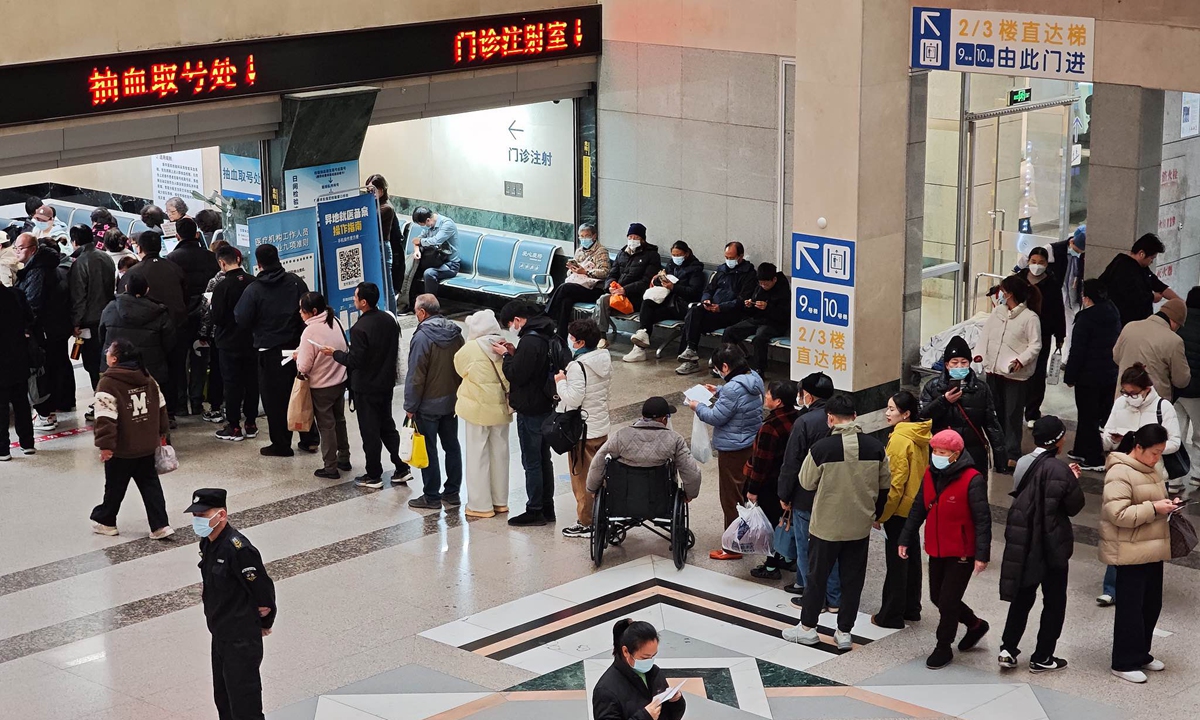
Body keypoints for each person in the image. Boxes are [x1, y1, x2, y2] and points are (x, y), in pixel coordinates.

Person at [781, 395, 890, 651]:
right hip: (859, 526)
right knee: (852, 580)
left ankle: (808, 628)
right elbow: (885, 486)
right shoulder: (876, 447)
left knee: (816, 577)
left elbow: (806, 482)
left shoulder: (821, 449)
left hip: (826, 526)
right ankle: (844, 632)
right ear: (855, 416)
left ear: (830, 418)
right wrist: (875, 515)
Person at [997, 416, 1085, 674]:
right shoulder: (1060, 469)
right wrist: (1072, 480)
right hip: (1051, 543)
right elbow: (1074, 506)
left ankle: (1008, 649)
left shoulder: (1024, 462)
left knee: (1023, 597)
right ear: (1058, 440)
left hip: (1025, 539)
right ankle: (1043, 656)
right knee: (1054, 602)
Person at [898, 429, 992, 670]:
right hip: (936, 547)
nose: (937, 456)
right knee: (936, 597)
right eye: (935, 451)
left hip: (962, 551)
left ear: (956, 454)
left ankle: (943, 646)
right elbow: (919, 507)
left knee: (948, 601)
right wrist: (905, 538)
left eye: (943, 452)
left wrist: (982, 555)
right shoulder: (930, 473)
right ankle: (975, 624)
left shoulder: (973, 479)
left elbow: (982, 519)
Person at [187, 488, 277, 719]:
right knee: (224, 699)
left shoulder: (238, 549)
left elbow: (263, 590)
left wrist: (265, 621)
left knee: (244, 703)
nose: (198, 520)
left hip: (240, 639)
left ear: (222, 515)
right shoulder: (208, 543)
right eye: (195, 515)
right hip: (220, 634)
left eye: (203, 515)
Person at [1101, 424, 1179, 683]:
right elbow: (1118, 514)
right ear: (1138, 447)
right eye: (1154, 453)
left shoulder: (1152, 469)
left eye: (1160, 453)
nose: (1157, 458)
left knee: (1151, 604)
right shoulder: (1120, 472)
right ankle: (1123, 661)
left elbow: (1153, 500)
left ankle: (1141, 653)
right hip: (1130, 550)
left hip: (1153, 548)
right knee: (1130, 608)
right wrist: (1154, 508)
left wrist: (1168, 505)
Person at [321, 282, 412, 488]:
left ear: (363, 302)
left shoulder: (359, 328)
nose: (354, 299)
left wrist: (335, 354)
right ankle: (402, 467)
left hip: (366, 388)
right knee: (387, 426)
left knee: (370, 431)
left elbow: (355, 361)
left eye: (356, 296)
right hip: (385, 384)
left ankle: (373, 474)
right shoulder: (389, 320)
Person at [234, 243, 318, 457]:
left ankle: (281, 444)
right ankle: (309, 438)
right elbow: (308, 309)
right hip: (297, 348)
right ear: (278, 258)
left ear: (258, 264)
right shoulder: (295, 282)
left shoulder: (254, 290)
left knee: (275, 400)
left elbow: (241, 318)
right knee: (301, 392)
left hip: (269, 351)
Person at [686, 344, 764, 560]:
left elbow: (716, 417)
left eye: (718, 368)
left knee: (730, 497)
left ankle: (732, 547)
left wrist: (697, 406)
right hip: (751, 443)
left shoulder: (732, 389)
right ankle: (746, 534)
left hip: (733, 448)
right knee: (745, 492)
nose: (718, 372)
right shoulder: (754, 378)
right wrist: (718, 390)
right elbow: (740, 398)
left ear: (726, 367)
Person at [90, 340, 172, 538]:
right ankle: (160, 525)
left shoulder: (108, 383)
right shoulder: (147, 377)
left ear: (114, 359)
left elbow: (105, 418)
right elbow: (161, 407)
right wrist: (162, 432)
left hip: (122, 449)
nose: (106, 352)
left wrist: (105, 446)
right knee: (150, 486)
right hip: (147, 445)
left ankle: (106, 521)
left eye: (109, 351)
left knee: (115, 487)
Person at [494, 301, 559, 526]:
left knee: (532, 462)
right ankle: (548, 507)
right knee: (544, 459)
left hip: (530, 408)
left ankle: (535, 510)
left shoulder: (530, 341)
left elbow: (516, 374)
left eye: (510, 324)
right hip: (546, 404)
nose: (511, 328)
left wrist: (506, 356)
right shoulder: (545, 333)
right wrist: (515, 353)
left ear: (518, 320)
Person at [873, 390, 931, 629]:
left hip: (899, 510)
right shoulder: (920, 434)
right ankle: (911, 608)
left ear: (906, 414)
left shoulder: (899, 439)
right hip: (916, 506)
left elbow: (895, 483)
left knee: (897, 561)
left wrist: (882, 514)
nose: (887, 413)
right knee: (911, 557)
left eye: (892, 409)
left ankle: (891, 614)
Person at [778, 372, 837, 598]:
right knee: (829, 546)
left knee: (805, 545)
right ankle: (819, 587)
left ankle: (808, 589)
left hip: (805, 494)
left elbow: (792, 462)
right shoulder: (841, 418)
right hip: (833, 493)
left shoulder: (804, 422)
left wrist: (784, 493)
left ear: (809, 396)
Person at [404, 294, 465, 509]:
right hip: (451, 401)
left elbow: (416, 375)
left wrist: (410, 406)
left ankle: (431, 496)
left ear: (422, 312)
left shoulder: (422, 337)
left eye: (415, 311)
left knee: (429, 449)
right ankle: (452, 492)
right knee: (452, 446)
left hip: (428, 404)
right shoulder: (456, 333)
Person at [119, 231, 188, 420]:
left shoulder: (133, 273)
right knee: (176, 369)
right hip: (176, 327)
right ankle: (177, 408)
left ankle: (153, 412)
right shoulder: (174, 268)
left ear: (139, 248)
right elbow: (185, 297)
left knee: (150, 373)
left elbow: (124, 303)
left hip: (145, 333)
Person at [586, 396, 702, 502]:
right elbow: (691, 473)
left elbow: (598, 461)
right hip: (660, 501)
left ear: (643, 417)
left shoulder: (621, 435)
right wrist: (689, 494)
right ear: (664, 419)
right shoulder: (675, 440)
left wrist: (592, 488)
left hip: (622, 499)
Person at [454, 310, 512, 518]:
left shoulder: (470, 348)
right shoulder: (505, 345)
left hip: (477, 409)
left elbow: (459, 368)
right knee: (500, 454)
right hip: (501, 408)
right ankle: (500, 501)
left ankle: (480, 505)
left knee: (477, 455)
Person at [558, 319, 613, 539]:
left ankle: (587, 522)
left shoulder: (577, 366)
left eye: (572, 338)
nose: (569, 341)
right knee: (601, 476)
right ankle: (603, 515)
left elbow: (573, 398)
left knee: (583, 480)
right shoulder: (604, 358)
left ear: (580, 342)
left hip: (583, 431)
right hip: (601, 425)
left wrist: (560, 381)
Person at [981, 275, 1042, 472]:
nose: (1000, 294)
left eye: (1003, 291)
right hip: (993, 371)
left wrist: (1020, 361)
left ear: (1010, 294)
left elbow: (1035, 346)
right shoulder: (998, 312)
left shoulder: (1030, 318)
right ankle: (997, 450)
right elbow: (985, 336)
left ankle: (1012, 453)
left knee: (1012, 415)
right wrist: (979, 357)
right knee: (995, 413)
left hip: (1015, 375)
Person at [920, 336, 1005, 476]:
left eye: (964, 362)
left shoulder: (981, 389)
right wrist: (944, 401)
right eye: (954, 362)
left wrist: (1000, 458)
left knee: (973, 486)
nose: (959, 366)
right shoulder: (933, 387)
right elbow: (923, 417)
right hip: (942, 451)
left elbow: (991, 424)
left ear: (969, 363)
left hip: (973, 452)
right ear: (947, 365)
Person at [14, 232, 73, 429]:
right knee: (57, 366)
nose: (16, 252)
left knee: (43, 372)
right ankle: (55, 407)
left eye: (20, 248)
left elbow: (33, 304)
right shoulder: (43, 266)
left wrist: (24, 326)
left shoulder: (38, 271)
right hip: (54, 329)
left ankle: (46, 414)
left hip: (45, 331)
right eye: (15, 248)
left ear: (32, 250)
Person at [743, 381, 800, 580]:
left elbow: (762, 462)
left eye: (768, 394)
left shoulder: (771, 427)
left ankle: (770, 566)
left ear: (778, 401)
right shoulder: (797, 418)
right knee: (785, 521)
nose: (765, 396)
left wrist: (752, 489)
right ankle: (786, 557)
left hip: (770, 484)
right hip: (790, 481)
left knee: (770, 524)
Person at [1064, 279, 1121, 472]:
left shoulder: (1085, 318)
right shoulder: (1113, 311)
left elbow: (1077, 351)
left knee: (1088, 416)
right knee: (1093, 415)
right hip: (1109, 373)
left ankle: (1094, 458)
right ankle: (1081, 448)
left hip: (1088, 376)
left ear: (1087, 297)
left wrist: (1070, 376)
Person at [675, 241, 756, 375]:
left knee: (694, 323)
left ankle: (713, 362)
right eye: (726, 257)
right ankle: (690, 352)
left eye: (732, 258)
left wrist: (721, 308)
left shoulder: (749, 275)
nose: (728, 260)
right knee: (693, 313)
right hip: (713, 309)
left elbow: (742, 300)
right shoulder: (721, 271)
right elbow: (709, 289)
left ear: (740, 257)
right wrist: (706, 300)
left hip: (732, 314)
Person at [167, 217, 221, 417]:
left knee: (179, 361)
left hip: (181, 317)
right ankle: (197, 402)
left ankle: (181, 404)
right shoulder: (211, 257)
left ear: (177, 236)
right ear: (197, 235)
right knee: (200, 359)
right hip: (205, 316)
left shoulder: (171, 259)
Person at [296, 292, 350, 480]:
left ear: (313, 311)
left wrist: (297, 357)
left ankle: (330, 467)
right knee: (340, 420)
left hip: (321, 386)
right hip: (340, 381)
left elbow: (304, 366)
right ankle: (344, 458)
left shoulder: (310, 331)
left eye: (302, 310)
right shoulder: (335, 320)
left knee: (326, 427)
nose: (300, 313)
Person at [624, 240, 705, 362]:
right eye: (674, 255)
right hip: (669, 301)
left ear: (686, 254)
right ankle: (641, 340)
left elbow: (694, 292)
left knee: (648, 316)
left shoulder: (695, 270)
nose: (676, 258)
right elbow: (662, 280)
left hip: (682, 305)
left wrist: (674, 287)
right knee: (647, 304)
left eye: (679, 255)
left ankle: (640, 343)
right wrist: (659, 280)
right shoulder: (671, 265)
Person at [592, 619, 686, 720]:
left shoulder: (654, 673)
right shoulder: (605, 691)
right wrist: (645, 716)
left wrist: (675, 702)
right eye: (645, 657)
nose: (650, 661)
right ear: (626, 651)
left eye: (653, 656)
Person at [210, 246, 259, 442]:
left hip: (228, 343)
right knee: (252, 382)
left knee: (232, 384)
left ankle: (234, 426)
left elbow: (217, 317)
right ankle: (251, 423)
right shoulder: (254, 282)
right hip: (252, 341)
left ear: (222, 263)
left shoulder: (221, 287)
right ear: (238, 259)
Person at [98, 275, 176, 395]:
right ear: (147, 290)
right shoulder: (159, 312)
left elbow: (102, 335)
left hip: (115, 369)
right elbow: (169, 341)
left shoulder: (110, 308)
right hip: (151, 369)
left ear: (126, 287)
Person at [1016, 247, 1065, 424]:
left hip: (1042, 333)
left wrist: (1060, 335)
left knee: (1037, 374)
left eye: (1041, 262)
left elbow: (1058, 310)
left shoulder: (1052, 283)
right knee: (1017, 369)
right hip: (1019, 332)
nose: (1037, 265)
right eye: (1033, 261)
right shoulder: (1019, 280)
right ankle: (1016, 407)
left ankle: (1032, 411)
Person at [67, 224, 116, 396]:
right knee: (108, 359)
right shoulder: (106, 257)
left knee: (92, 363)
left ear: (75, 241)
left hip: (89, 320)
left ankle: (100, 397)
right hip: (109, 316)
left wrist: (76, 322)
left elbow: (79, 296)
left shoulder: (80, 262)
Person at [1112, 297, 1190, 403]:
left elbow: (1116, 357)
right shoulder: (1174, 340)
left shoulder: (1129, 327)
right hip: (1153, 404)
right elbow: (1181, 381)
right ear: (1175, 322)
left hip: (1124, 398)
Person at [722, 262, 790, 376]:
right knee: (729, 331)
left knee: (759, 338)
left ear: (774, 279)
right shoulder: (759, 288)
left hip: (774, 323)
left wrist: (768, 307)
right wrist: (749, 305)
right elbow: (752, 312)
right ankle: (728, 364)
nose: (763, 286)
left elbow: (783, 315)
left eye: (766, 284)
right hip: (757, 320)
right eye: (761, 283)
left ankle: (759, 369)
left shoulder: (783, 291)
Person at [545, 223, 611, 340]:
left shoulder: (601, 251)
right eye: (581, 236)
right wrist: (572, 270)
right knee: (566, 301)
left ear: (594, 236)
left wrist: (586, 272)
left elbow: (605, 272)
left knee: (565, 288)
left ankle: (547, 315)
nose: (584, 239)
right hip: (578, 286)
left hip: (594, 289)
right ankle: (560, 336)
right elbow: (571, 273)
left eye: (587, 236)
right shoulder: (579, 251)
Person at [1098, 233, 1180, 326]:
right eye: (1151, 258)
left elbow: (1157, 284)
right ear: (1142, 254)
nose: (1152, 262)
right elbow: (1130, 296)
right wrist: (1152, 297)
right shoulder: (1122, 267)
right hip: (1125, 322)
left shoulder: (1141, 267)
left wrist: (1179, 301)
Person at [594, 222, 661, 333]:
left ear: (642, 239)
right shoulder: (622, 253)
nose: (632, 240)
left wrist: (625, 290)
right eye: (630, 237)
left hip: (635, 297)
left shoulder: (652, 256)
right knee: (602, 301)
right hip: (617, 294)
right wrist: (610, 286)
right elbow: (612, 274)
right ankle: (599, 335)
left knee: (602, 301)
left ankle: (599, 335)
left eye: (636, 237)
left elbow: (646, 281)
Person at [0, 283, 35, 459]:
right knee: (21, 402)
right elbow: (30, 319)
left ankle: (3, 449)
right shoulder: (16, 295)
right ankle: (27, 443)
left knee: (1, 407)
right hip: (18, 357)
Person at [366, 175, 405, 307]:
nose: (370, 193)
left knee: (386, 287)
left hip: (382, 247)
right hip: (373, 247)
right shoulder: (374, 204)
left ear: (381, 190)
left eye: (373, 190)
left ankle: (392, 315)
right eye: (368, 191)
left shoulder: (386, 208)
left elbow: (370, 220)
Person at [1176, 286, 1200, 488]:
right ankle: (1197, 475)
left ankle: (1174, 479)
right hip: (1197, 392)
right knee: (1199, 435)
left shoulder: (1178, 324)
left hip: (1176, 389)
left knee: (1177, 434)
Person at [410, 206, 461, 299]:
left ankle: (429, 303)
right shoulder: (429, 226)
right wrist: (416, 251)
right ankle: (410, 301)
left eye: (422, 224)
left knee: (429, 273)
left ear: (428, 220)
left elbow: (435, 241)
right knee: (411, 269)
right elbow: (417, 240)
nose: (423, 227)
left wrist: (419, 241)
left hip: (450, 265)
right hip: (434, 261)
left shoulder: (447, 224)